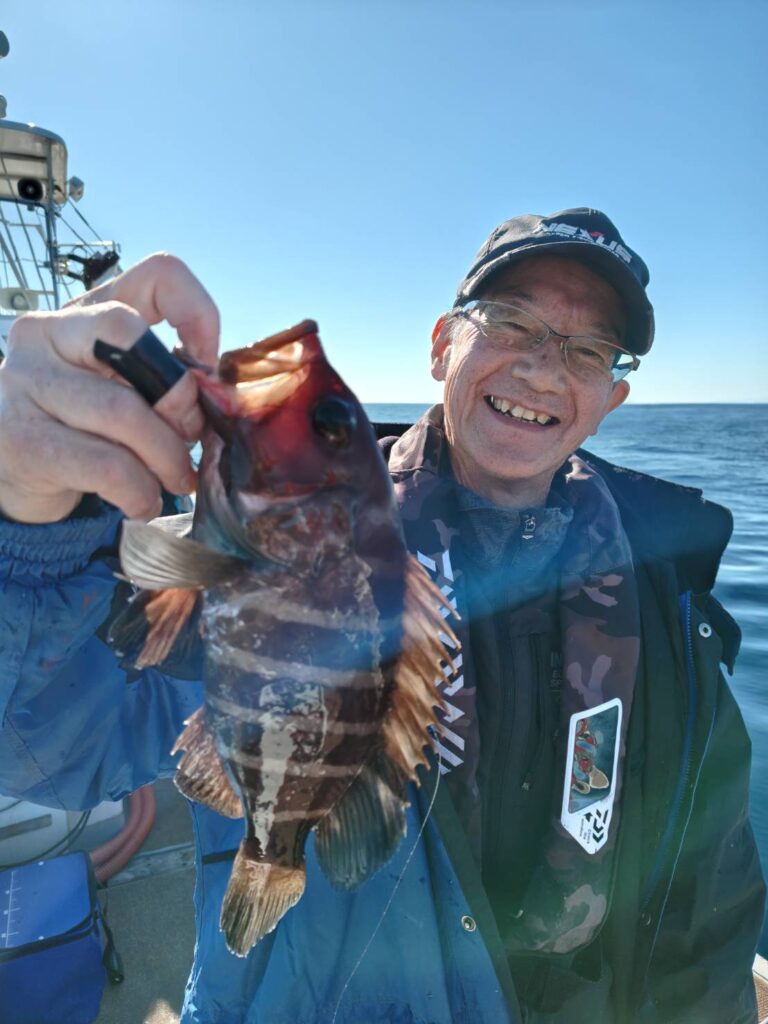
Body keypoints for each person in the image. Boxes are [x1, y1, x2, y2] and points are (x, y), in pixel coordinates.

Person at [0, 209, 763, 1024]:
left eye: (587, 351)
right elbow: (37, 749)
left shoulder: (667, 605)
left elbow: (705, 900)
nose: (543, 368)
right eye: (511, 322)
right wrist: (29, 520)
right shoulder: (266, 557)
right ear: (442, 346)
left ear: (612, 397)